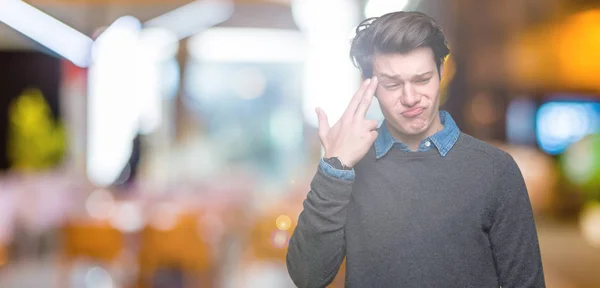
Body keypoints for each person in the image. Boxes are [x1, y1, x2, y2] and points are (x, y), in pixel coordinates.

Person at [286, 11, 545, 288]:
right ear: (369, 85)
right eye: (393, 84)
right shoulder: (347, 168)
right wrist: (334, 167)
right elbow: (308, 277)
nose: (410, 98)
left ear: (442, 71)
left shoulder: (495, 170)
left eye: (422, 80)